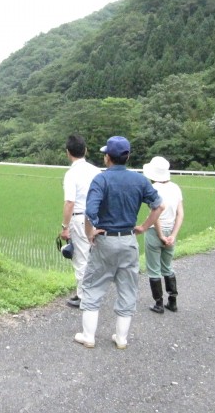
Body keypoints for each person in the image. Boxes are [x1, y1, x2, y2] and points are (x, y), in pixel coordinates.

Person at [74, 136, 164, 350]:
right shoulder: (140, 180)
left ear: (107, 157)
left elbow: (90, 211)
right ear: (128, 156)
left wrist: (90, 233)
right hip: (128, 240)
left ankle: (89, 336)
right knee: (127, 289)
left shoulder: (101, 180)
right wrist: (142, 227)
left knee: (93, 287)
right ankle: (121, 339)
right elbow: (159, 206)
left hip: (105, 241)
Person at [60, 134, 102, 308]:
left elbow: (70, 202)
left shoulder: (71, 174)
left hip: (79, 218)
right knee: (93, 256)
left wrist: (64, 227)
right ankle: (90, 291)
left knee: (80, 258)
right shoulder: (97, 171)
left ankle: (83, 296)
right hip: (97, 218)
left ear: (68, 153)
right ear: (85, 150)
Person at [142, 156, 184, 314]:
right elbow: (180, 214)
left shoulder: (153, 189)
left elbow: (155, 214)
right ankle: (172, 301)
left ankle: (158, 303)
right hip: (171, 231)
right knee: (167, 267)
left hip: (155, 232)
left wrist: (160, 235)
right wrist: (172, 235)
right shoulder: (176, 188)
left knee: (154, 269)